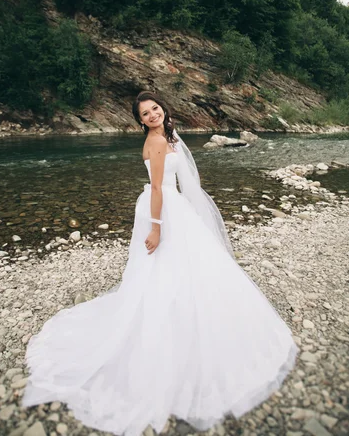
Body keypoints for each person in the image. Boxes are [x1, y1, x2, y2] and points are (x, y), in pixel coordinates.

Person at [22, 90, 299, 436]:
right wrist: (156, 228)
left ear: (163, 109)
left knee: (192, 266)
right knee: (159, 264)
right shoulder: (154, 142)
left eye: (155, 109)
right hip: (160, 209)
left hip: (176, 206)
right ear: (139, 121)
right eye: (145, 113)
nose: (152, 115)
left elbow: (186, 181)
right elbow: (156, 189)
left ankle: (190, 315)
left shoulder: (170, 134)